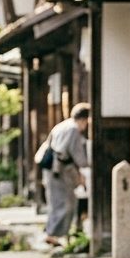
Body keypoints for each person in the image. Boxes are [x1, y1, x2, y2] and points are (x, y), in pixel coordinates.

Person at [38, 102, 91, 247]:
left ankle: (54, 233)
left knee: (57, 202)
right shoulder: (73, 129)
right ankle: (53, 234)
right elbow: (76, 155)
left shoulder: (63, 125)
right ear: (84, 119)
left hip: (53, 169)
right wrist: (85, 165)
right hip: (59, 170)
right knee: (64, 203)